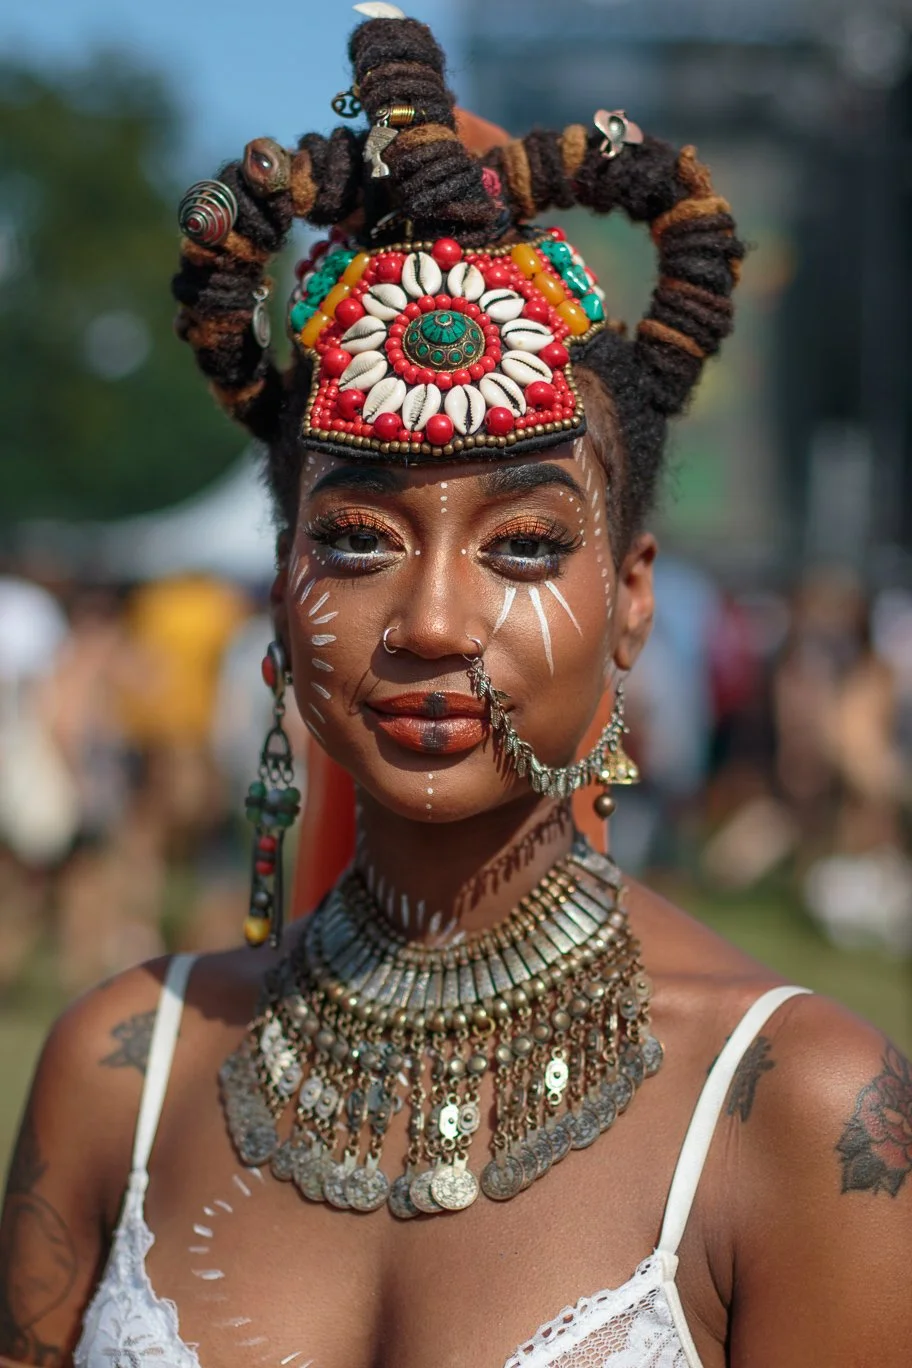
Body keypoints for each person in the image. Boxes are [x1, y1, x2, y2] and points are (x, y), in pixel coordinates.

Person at [2, 11, 910, 1368]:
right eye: (357, 541)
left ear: (635, 596)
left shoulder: (799, 1110)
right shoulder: (121, 1069)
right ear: (279, 581)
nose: (431, 622)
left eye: (525, 546)